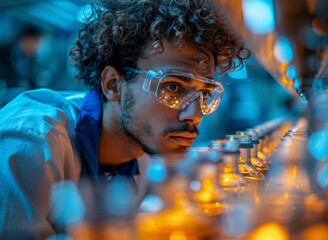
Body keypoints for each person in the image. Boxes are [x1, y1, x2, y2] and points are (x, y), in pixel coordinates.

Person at [0, 0, 250, 238]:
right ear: (113, 85)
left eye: (205, 94)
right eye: (172, 88)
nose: (195, 113)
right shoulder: (32, 145)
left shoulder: (146, 154)